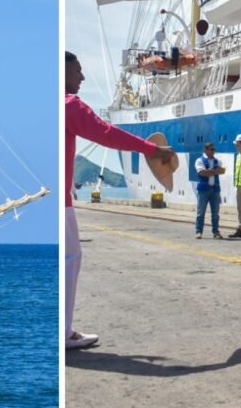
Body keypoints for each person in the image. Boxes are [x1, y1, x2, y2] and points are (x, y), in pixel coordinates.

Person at [65, 51, 175, 350]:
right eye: (78, 71)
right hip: (61, 204)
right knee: (70, 260)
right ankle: (63, 332)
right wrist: (149, 148)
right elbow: (105, 133)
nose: (83, 77)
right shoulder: (69, 105)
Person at [194, 142, 225, 239]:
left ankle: (216, 232)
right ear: (206, 150)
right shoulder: (199, 160)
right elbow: (202, 173)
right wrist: (215, 171)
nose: (213, 151)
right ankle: (199, 231)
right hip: (203, 190)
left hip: (215, 190)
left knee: (215, 213)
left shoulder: (217, 161)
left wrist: (211, 171)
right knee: (200, 212)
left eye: (214, 149)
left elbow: (223, 171)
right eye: (211, 149)